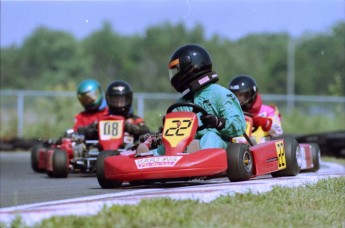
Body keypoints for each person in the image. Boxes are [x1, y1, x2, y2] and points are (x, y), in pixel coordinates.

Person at [138, 44, 246, 156]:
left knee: (210, 137)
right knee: (167, 144)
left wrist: (218, 122)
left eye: (177, 70)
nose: (176, 75)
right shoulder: (181, 102)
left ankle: (199, 156)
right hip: (186, 145)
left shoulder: (220, 94)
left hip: (221, 144)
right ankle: (147, 157)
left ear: (189, 70)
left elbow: (239, 126)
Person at [228, 75, 283, 139]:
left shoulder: (267, 111)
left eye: (241, 95)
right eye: (234, 95)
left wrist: (264, 122)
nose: (237, 98)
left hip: (260, 145)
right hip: (235, 145)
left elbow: (278, 131)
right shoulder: (229, 111)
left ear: (250, 94)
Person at [105, 80, 150, 144]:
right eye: (115, 100)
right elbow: (88, 131)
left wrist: (129, 127)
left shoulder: (136, 120)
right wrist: (93, 129)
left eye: (121, 100)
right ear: (108, 99)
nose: (118, 103)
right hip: (105, 150)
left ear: (129, 99)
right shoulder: (104, 120)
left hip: (128, 150)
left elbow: (146, 132)